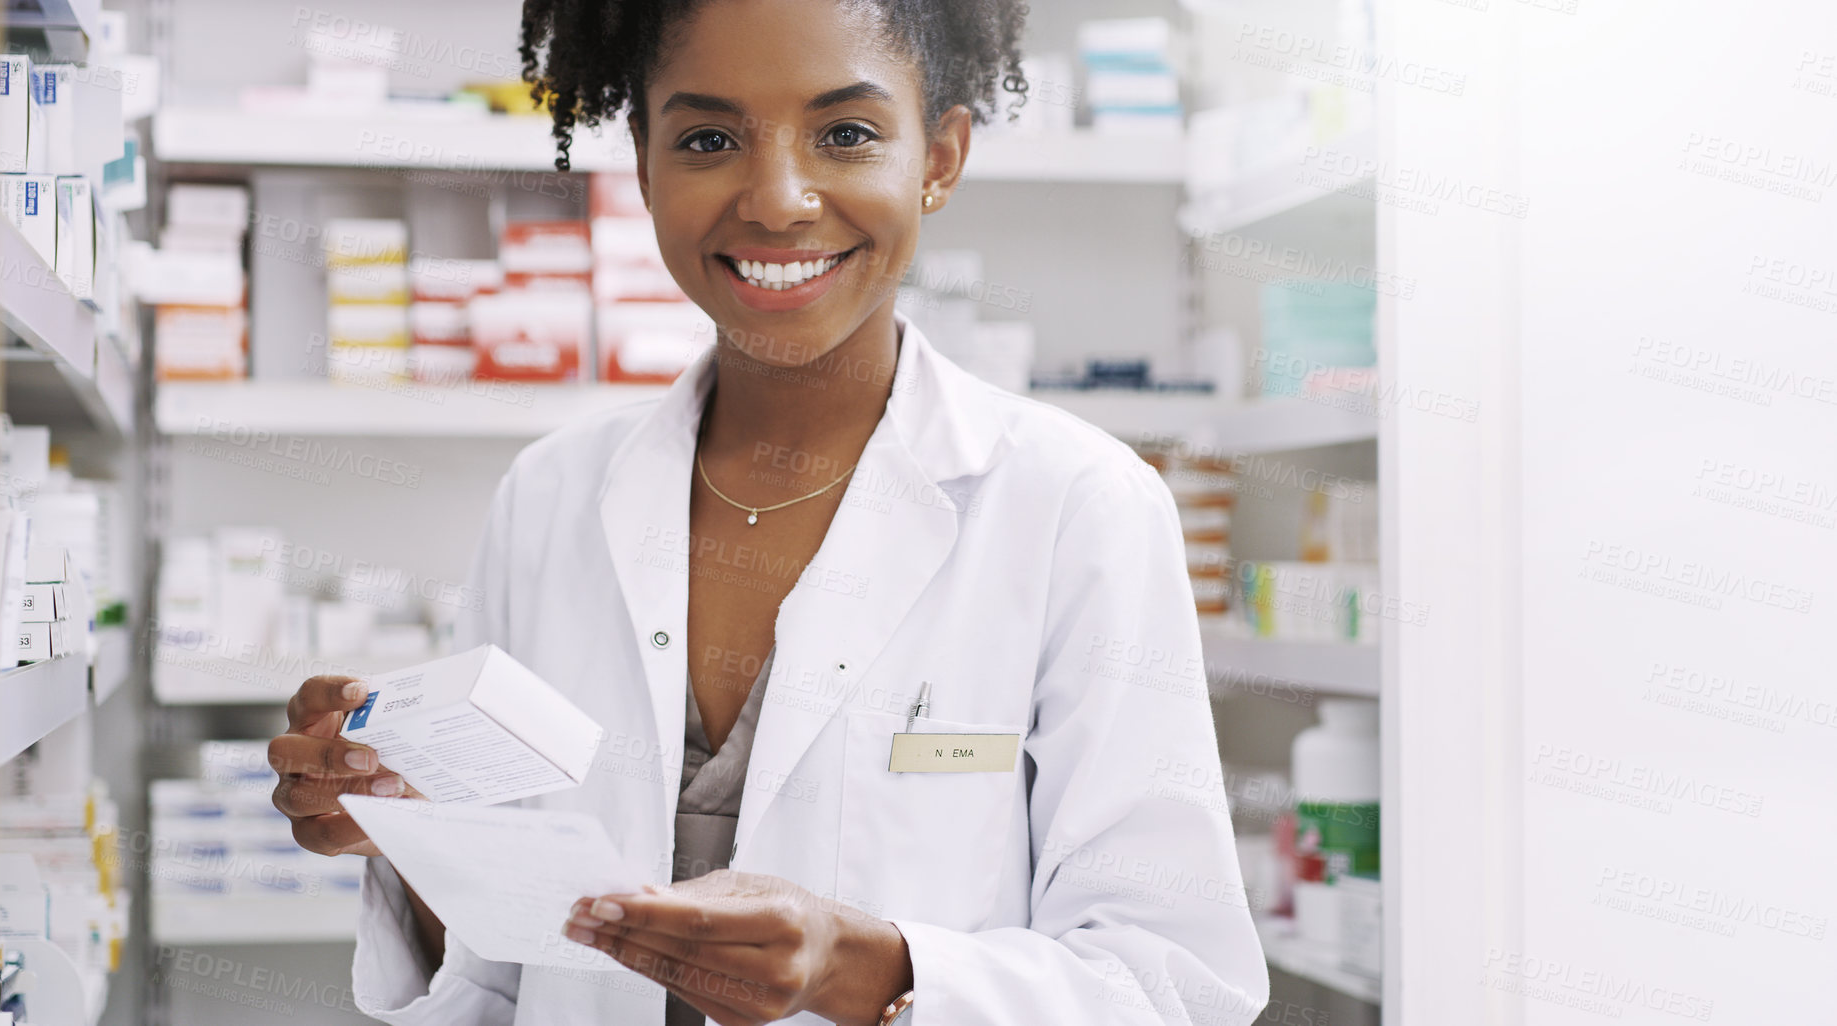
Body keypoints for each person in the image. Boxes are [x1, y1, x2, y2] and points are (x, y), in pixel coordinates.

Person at [269, 0, 1269, 1022]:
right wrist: (404, 825)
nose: (779, 200)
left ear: (941, 157)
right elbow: (500, 972)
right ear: (646, 164)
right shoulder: (550, 497)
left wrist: (865, 969)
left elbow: (1168, 980)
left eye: (846, 134)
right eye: (708, 139)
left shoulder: (1079, 509)